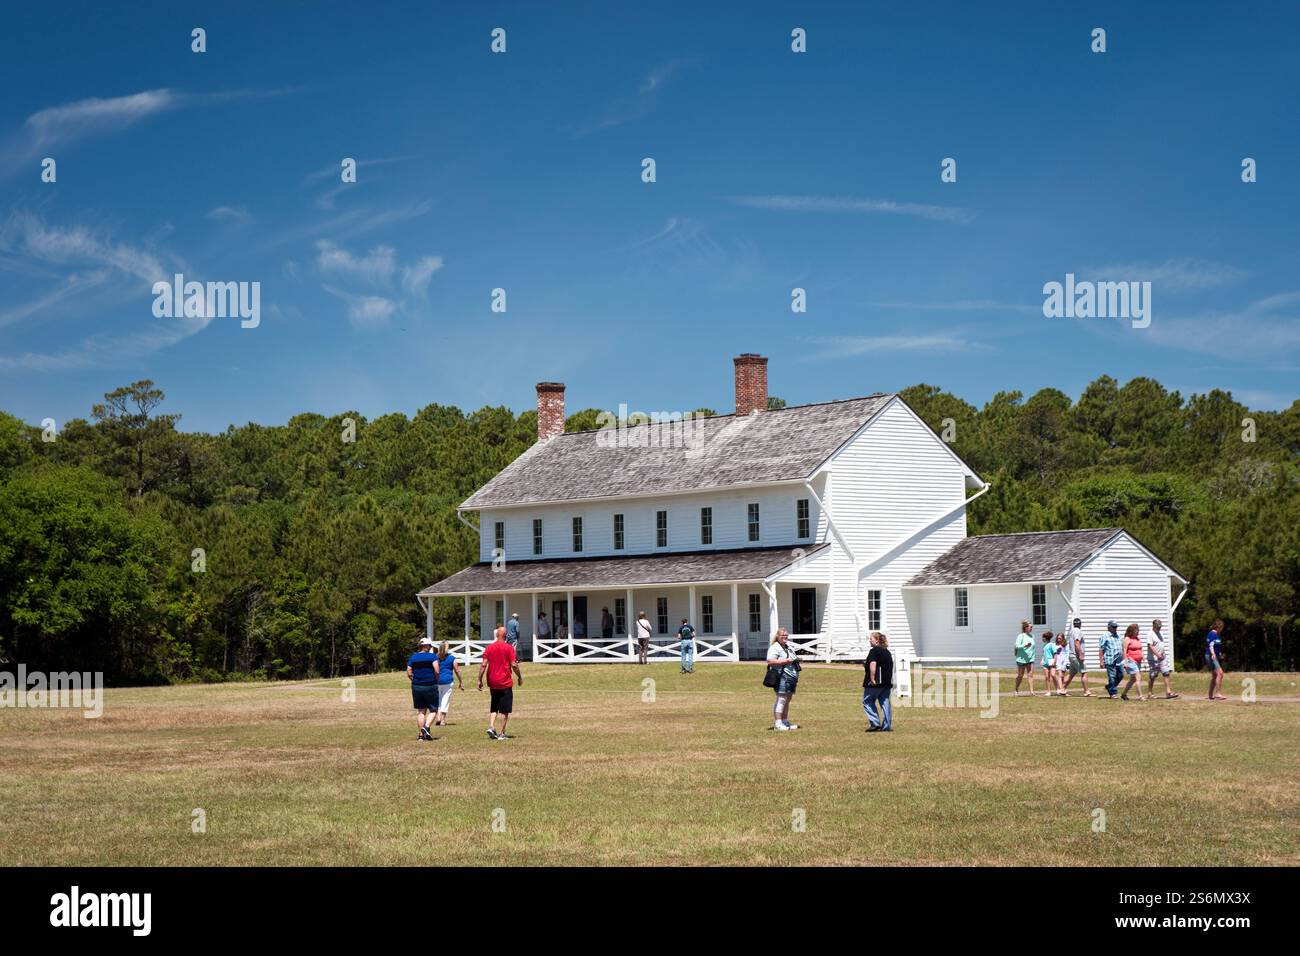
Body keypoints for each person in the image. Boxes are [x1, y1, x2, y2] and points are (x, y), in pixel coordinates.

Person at [478, 624, 523, 739]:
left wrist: (479, 679)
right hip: (505, 682)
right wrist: (519, 676)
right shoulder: (509, 648)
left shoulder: (489, 648)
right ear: (506, 635)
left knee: (494, 706)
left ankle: (491, 726)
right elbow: (514, 664)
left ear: (497, 635)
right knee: (504, 709)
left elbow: (483, 665)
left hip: (492, 682)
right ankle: (502, 734)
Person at [406, 636, 441, 741]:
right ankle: (426, 727)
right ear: (426, 646)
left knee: (421, 711)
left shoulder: (413, 657)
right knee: (434, 710)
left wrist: (414, 679)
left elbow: (408, 671)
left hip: (417, 686)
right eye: (429, 645)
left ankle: (421, 735)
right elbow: (437, 670)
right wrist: (436, 680)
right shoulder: (432, 657)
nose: (430, 647)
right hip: (430, 685)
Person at [766, 627, 801, 730]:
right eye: (782, 635)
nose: (785, 637)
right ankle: (778, 723)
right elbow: (770, 661)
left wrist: (797, 660)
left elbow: (791, 658)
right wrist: (785, 661)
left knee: (787, 699)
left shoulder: (787, 647)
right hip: (782, 676)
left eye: (786, 635)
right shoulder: (775, 647)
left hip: (791, 676)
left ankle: (785, 722)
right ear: (778, 637)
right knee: (781, 699)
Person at [863, 631, 894, 732]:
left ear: (876, 640)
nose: (869, 640)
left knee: (867, 701)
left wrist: (872, 679)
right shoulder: (887, 651)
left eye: (871, 638)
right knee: (885, 703)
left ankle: (875, 723)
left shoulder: (874, 651)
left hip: (875, 683)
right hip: (886, 682)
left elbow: (873, 664)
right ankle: (887, 726)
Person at [1143, 619, 1178, 700]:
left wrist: (1162, 654)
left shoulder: (1160, 633)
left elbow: (1161, 645)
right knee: (1153, 676)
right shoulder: (1150, 634)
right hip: (1153, 659)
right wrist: (1157, 654)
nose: (1159, 628)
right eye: (1157, 627)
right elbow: (1150, 646)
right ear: (1153, 626)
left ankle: (1168, 692)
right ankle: (1149, 693)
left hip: (1162, 658)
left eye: (1160, 627)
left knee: (1166, 673)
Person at [433, 640, 464, 725]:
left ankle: (438, 717)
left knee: (438, 700)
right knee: (445, 700)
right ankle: (442, 720)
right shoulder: (451, 658)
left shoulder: (435, 658)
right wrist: (461, 682)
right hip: (448, 681)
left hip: (437, 681)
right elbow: (457, 670)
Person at [1062, 617, 1093, 696]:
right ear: (1080, 624)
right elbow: (1077, 642)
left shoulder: (1072, 631)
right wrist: (1080, 654)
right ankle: (1086, 691)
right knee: (1084, 672)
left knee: (1071, 674)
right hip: (1076, 656)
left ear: (1073, 624)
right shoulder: (1077, 631)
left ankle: (1062, 689)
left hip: (1072, 655)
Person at [1120, 623, 1145, 701]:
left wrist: (1143, 657)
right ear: (1131, 631)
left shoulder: (1137, 639)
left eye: (1138, 630)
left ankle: (1124, 694)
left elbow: (1140, 649)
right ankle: (1140, 696)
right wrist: (1125, 662)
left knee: (1133, 679)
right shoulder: (1127, 639)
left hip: (1138, 661)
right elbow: (1124, 650)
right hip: (1131, 660)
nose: (1138, 632)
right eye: (1136, 631)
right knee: (1138, 677)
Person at [1098, 620, 1123, 699]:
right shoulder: (1105, 636)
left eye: (1116, 627)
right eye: (1114, 627)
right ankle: (1113, 693)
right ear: (1109, 627)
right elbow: (1101, 649)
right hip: (1110, 659)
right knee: (1112, 677)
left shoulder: (1118, 635)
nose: (1115, 628)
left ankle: (1110, 686)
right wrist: (1101, 661)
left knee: (1120, 675)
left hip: (1119, 660)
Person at [1205, 619, 1226, 700]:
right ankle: (1217, 694)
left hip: (1213, 656)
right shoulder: (1212, 634)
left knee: (1215, 675)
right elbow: (1210, 645)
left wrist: (1219, 654)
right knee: (1220, 673)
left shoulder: (1216, 634)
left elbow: (1216, 645)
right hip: (1211, 656)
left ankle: (1210, 695)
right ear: (1219, 627)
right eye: (1222, 627)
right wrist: (1213, 654)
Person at [1013, 620, 1036, 696]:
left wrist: (1032, 657)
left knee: (1030, 675)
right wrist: (1024, 646)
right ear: (1025, 628)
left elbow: (1033, 648)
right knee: (1020, 675)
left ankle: (1031, 692)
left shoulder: (1032, 636)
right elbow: (1017, 646)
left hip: (1030, 659)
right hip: (1021, 659)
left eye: (1032, 627)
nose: (1031, 628)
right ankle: (1016, 690)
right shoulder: (1021, 636)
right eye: (1030, 627)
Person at [1041, 630, 1059, 696]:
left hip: (1051, 662)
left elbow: (1055, 653)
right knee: (1047, 677)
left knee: (1053, 675)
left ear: (1046, 638)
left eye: (1043, 637)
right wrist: (1042, 660)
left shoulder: (1051, 645)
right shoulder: (1044, 645)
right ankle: (1048, 691)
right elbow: (1044, 654)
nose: (1042, 639)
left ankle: (1058, 689)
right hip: (1045, 663)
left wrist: (1055, 661)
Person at [1053, 632, 1071, 696]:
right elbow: (1054, 653)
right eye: (1058, 638)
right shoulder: (1055, 645)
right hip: (1058, 661)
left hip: (1064, 661)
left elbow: (1067, 654)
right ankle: (1061, 690)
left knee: (1062, 676)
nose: (1059, 639)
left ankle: (1062, 688)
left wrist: (1067, 662)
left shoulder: (1066, 645)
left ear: (1063, 638)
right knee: (1060, 675)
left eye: (1060, 638)